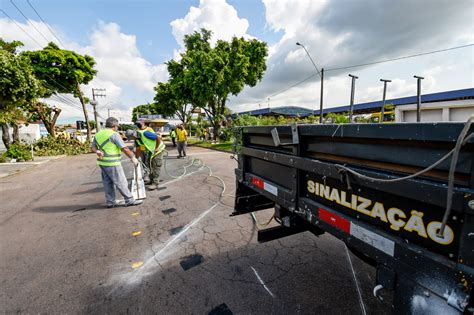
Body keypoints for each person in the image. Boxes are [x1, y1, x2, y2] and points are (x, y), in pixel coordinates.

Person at [91, 117, 143, 208]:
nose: (117, 128)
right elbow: (124, 148)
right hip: (112, 163)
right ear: (114, 126)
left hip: (102, 163)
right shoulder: (114, 134)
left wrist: (97, 152)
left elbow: (93, 147)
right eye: (117, 126)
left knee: (107, 183)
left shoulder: (98, 134)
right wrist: (132, 157)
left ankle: (110, 202)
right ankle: (129, 200)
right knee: (121, 182)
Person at [135, 122, 165, 191]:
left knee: (155, 166)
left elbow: (158, 138)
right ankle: (151, 180)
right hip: (151, 151)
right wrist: (135, 158)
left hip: (158, 150)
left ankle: (155, 183)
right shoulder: (137, 139)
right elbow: (138, 149)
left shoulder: (145, 133)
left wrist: (156, 148)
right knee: (149, 165)